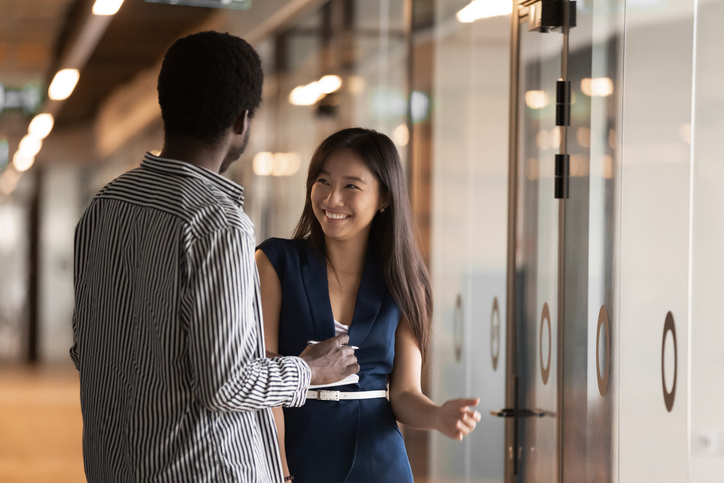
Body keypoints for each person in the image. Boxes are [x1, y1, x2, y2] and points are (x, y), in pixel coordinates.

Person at [70, 31, 357, 483]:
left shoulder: (106, 205)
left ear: (166, 108)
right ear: (242, 121)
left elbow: (88, 349)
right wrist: (311, 369)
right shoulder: (218, 222)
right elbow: (227, 383)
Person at [256, 127, 482, 483]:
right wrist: (280, 469)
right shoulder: (274, 261)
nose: (332, 199)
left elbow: (405, 393)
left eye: (351, 186)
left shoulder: (405, 281)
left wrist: (437, 415)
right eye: (323, 181)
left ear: (384, 198)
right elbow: (263, 375)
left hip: (379, 463)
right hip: (295, 456)